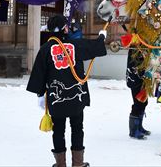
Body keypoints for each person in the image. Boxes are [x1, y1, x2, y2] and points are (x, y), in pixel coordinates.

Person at [27, 14, 108, 167]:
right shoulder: (75, 44)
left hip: (56, 98)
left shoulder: (45, 49)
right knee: (77, 127)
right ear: (64, 28)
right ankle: (78, 163)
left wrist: (40, 94)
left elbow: (39, 73)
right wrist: (101, 37)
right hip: (76, 97)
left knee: (58, 130)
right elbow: (94, 47)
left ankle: (60, 164)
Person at [126, 49, 151, 140]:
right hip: (135, 79)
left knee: (144, 102)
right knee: (137, 103)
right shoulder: (134, 48)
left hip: (142, 78)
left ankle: (139, 126)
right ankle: (134, 130)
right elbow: (134, 64)